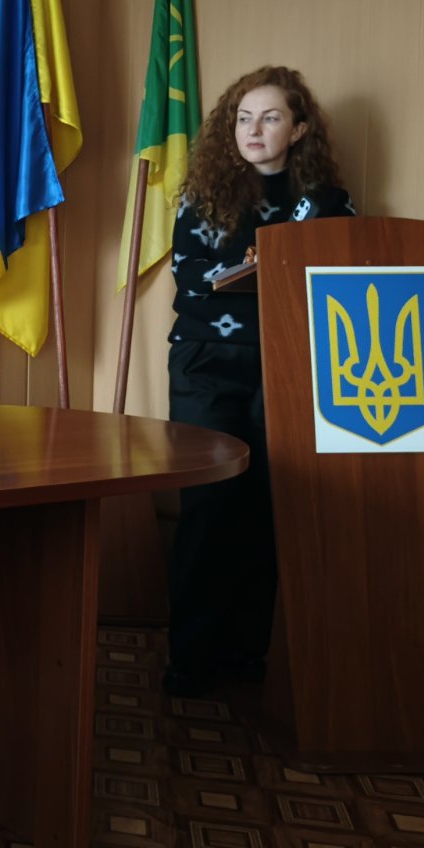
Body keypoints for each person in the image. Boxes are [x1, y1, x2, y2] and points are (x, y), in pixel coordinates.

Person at [163, 66, 355, 697]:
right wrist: (252, 264)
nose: (254, 129)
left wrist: (267, 262)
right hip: (207, 363)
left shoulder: (326, 201)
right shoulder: (206, 193)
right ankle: (190, 660)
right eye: (243, 118)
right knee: (209, 506)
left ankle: (252, 654)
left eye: (271, 117)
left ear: (298, 129)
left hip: (291, 362)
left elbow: (345, 274)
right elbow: (191, 278)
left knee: (272, 506)